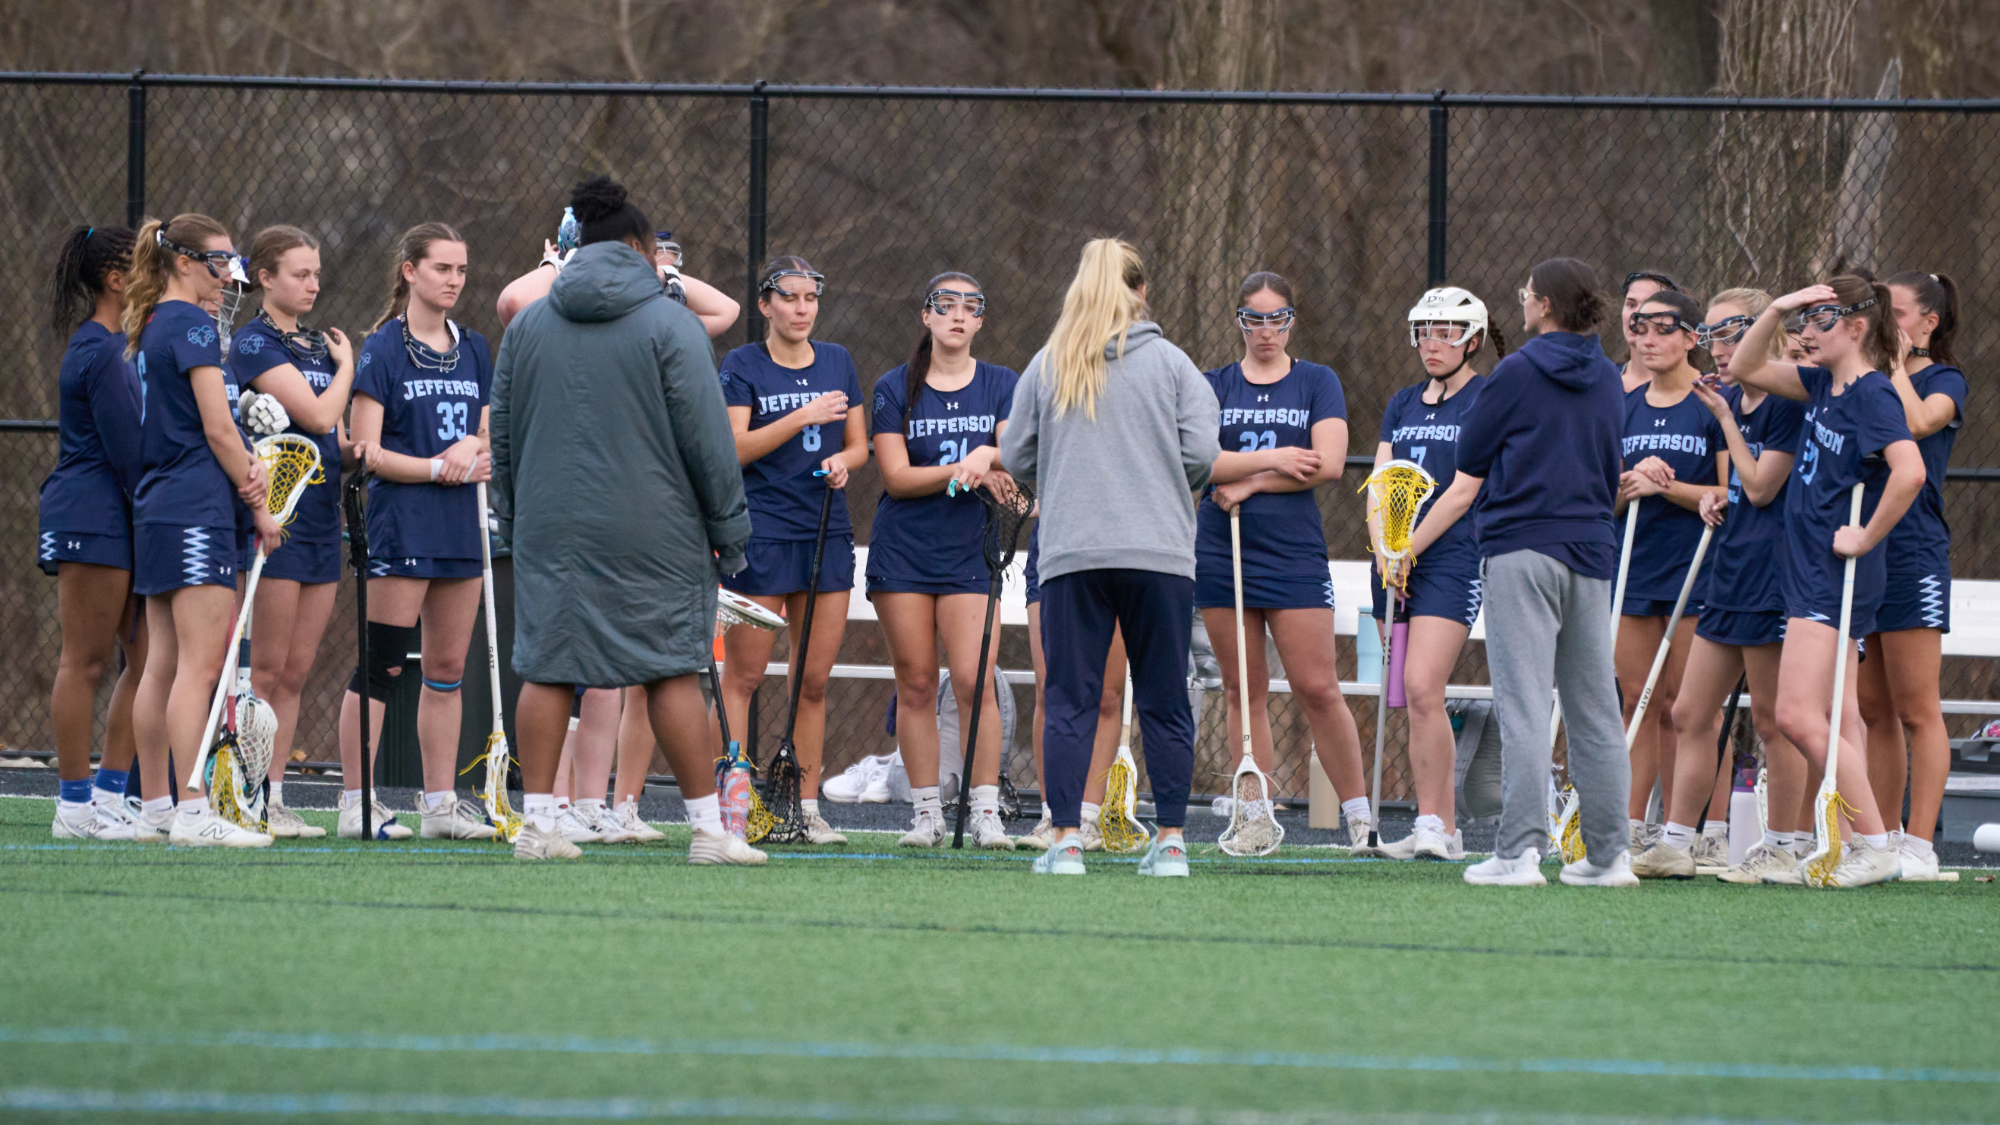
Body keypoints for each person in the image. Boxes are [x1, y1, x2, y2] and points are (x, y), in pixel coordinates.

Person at [491, 175, 758, 863]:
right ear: (643, 248)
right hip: (656, 528)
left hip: (551, 524)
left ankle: (538, 828)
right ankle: (707, 832)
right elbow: (708, 438)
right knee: (671, 666)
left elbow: (505, 435)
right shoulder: (671, 323)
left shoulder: (529, 324)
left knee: (547, 667)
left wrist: (515, 519)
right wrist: (729, 532)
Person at [1001, 237, 1220, 878]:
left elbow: (1016, 458)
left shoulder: (1050, 364)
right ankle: (1173, 841)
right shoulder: (1176, 366)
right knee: (1163, 701)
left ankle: (1066, 840)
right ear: (1142, 291)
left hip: (1074, 554)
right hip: (1160, 555)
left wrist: (1072, 474)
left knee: (1070, 697)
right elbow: (1203, 456)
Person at [1729, 276, 1927, 887]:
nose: (1804, 333)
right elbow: (1744, 364)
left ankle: (1875, 843)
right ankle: (1852, 842)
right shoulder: (1820, 384)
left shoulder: (1872, 394)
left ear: (1857, 328)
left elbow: (1910, 471)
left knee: (1795, 715)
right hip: (1809, 573)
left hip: (1832, 577)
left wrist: (1865, 537)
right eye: (1802, 322)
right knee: (1840, 720)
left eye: (1819, 322)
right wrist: (1783, 307)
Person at [1457, 257, 1632, 887]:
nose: (1522, 301)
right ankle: (1612, 856)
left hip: (1521, 548)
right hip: (1591, 551)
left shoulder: (1517, 371)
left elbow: (1469, 452)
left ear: (1547, 306)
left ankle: (1520, 853)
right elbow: (1611, 460)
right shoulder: (1611, 377)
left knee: (1524, 705)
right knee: (1595, 710)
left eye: (1527, 294)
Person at [1632, 289, 1809, 881]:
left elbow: (1759, 488)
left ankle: (1782, 845)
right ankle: (1679, 843)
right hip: (1728, 570)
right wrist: (1710, 496)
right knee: (1689, 711)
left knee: (1771, 720)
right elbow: (1731, 493)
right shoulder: (1726, 396)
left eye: (1731, 333)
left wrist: (1728, 421)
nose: (1720, 349)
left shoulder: (1786, 400)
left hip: (1774, 573)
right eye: (1711, 336)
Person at [124, 213, 282, 847]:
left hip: (159, 505)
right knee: (200, 667)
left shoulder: (150, 322)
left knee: (161, 664)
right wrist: (258, 495)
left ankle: (156, 809)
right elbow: (218, 429)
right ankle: (192, 813)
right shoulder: (188, 322)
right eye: (218, 262)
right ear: (183, 261)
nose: (229, 275)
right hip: (194, 506)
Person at [1195, 271, 1367, 845]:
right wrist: (1273, 461)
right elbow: (1200, 462)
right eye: (1255, 319)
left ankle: (1361, 816)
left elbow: (1330, 461)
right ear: (1239, 321)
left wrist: (1251, 482)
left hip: (1293, 554)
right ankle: (1253, 815)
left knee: (1317, 686)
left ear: (1291, 320)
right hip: (1224, 551)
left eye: (1277, 318)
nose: (1266, 331)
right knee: (1244, 687)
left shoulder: (1317, 381)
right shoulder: (1213, 385)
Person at [339, 223, 496, 842]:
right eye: (441, 269)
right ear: (410, 271)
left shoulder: (477, 347)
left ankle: (439, 805)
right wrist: (438, 466)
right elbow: (365, 449)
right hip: (402, 524)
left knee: (448, 668)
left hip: (460, 526)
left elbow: (484, 437)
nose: (454, 280)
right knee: (382, 668)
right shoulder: (382, 348)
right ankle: (358, 801)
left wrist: (472, 447)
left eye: (460, 270)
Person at [715, 255, 868, 844]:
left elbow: (859, 446)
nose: (801, 309)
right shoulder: (743, 364)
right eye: (790, 299)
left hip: (825, 534)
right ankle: (727, 799)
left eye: (810, 299)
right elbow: (733, 448)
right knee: (745, 677)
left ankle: (805, 808)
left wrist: (841, 462)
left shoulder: (838, 361)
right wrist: (802, 415)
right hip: (763, 536)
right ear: (766, 305)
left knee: (812, 681)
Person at [867, 272, 1021, 848]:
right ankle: (927, 814)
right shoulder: (892, 387)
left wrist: (988, 456)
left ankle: (985, 812)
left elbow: (1015, 451)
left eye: (971, 307)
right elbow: (898, 477)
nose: (958, 315)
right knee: (915, 683)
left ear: (981, 321)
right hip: (904, 550)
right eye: (946, 305)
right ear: (926, 316)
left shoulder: (1002, 383)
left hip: (969, 552)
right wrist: (965, 470)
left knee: (973, 680)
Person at [226, 225, 358, 839]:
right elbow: (319, 414)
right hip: (277, 518)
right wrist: (349, 367)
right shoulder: (254, 344)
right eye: (300, 273)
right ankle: (244, 793)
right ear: (265, 277)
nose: (313, 283)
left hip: (323, 516)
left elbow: (335, 435)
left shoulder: (311, 345)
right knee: (268, 669)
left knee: (297, 671)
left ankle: (274, 796)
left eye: (316, 272)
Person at [1372, 285, 1506, 860]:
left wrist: (1407, 548)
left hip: (1452, 556)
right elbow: (1382, 479)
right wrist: (1382, 545)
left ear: (1472, 339)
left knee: (1425, 684)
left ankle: (1433, 825)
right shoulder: (1402, 403)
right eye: (1426, 331)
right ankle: (1441, 828)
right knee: (1409, 693)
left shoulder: (1485, 398)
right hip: (1399, 564)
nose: (1434, 342)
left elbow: (1459, 494)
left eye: (1447, 332)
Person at [39, 224, 150, 839]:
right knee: (84, 661)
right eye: (142, 267)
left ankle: (110, 796)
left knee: (150, 657)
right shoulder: (101, 350)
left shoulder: (121, 346)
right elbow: (128, 452)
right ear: (115, 280)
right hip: (93, 517)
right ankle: (74, 806)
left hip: (124, 518)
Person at [1857, 271, 1965, 881]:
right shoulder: (1866, 382)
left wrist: (1893, 364)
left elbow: (1920, 423)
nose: (1886, 322)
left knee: (1918, 708)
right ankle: (1883, 836)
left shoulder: (1944, 381)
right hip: (1863, 552)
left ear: (1928, 323)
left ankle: (1920, 844)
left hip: (1913, 554)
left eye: (1895, 313)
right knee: (1873, 709)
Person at [1613, 288, 1728, 852]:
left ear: (1691, 339)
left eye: (1663, 328)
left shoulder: (1712, 403)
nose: (1648, 338)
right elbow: (1600, 496)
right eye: (1640, 327)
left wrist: (1668, 486)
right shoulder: (1622, 406)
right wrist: (1626, 480)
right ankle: (1634, 825)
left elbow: (1733, 494)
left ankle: (1710, 831)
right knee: (1639, 700)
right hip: (1634, 569)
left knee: (1693, 708)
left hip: (1695, 570)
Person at [495, 221, 740, 338]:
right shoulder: (562, 328)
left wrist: (557, 265)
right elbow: (514, 302)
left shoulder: (647, 327)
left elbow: (728, 310)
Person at [1617, 270, 1680, 393]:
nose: (1637, 314)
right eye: (1631, 304)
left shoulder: (1694, 387)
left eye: (1649, 304)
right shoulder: (1603, 379)